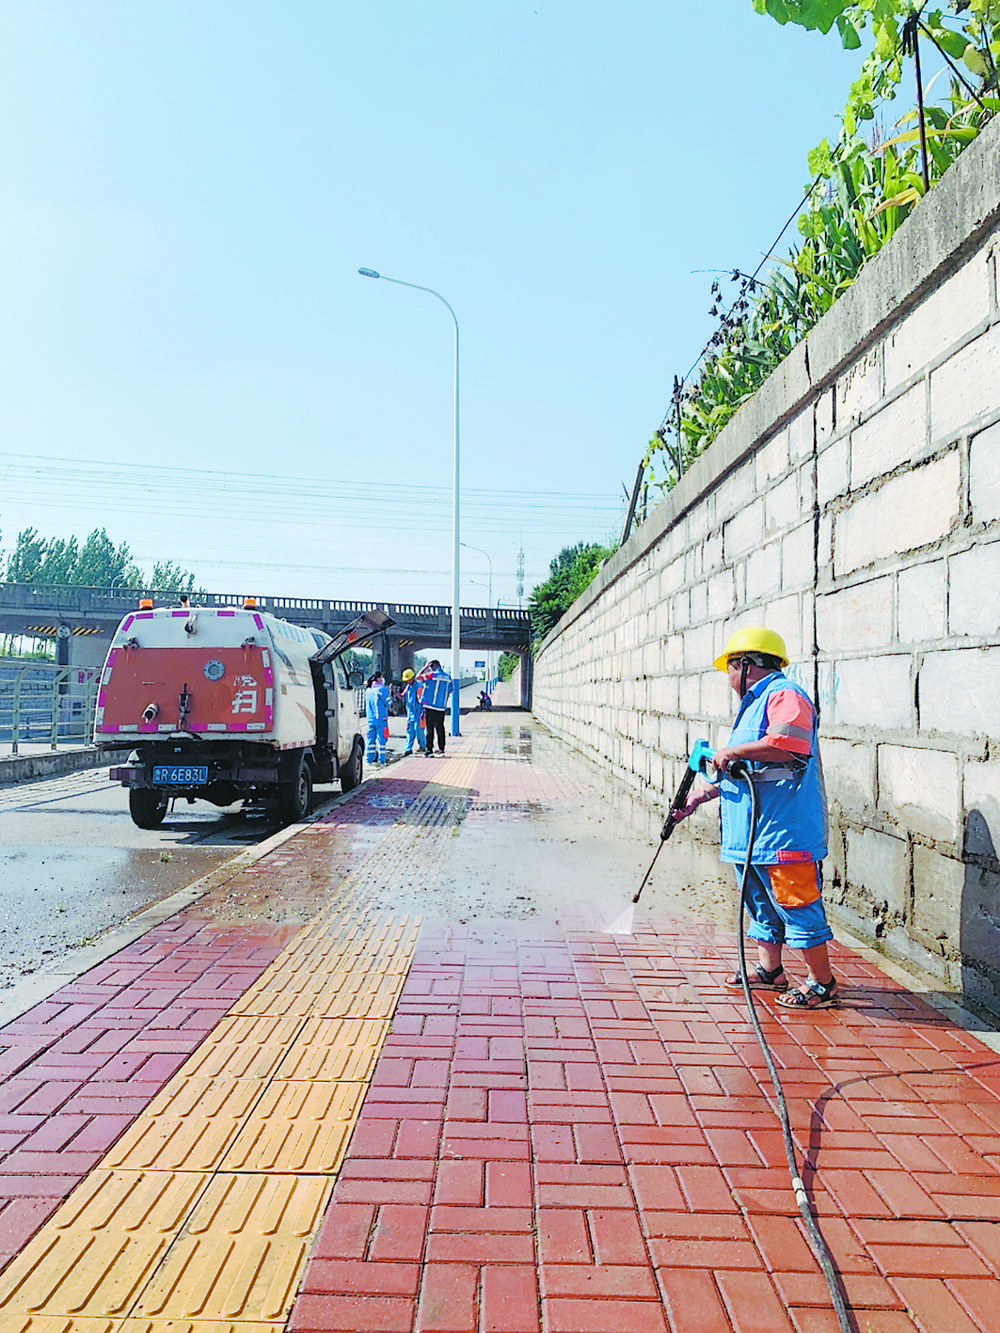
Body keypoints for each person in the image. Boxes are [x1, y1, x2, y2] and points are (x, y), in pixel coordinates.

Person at [672, 627, 838, 1010]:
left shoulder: (785, 695)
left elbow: (787, 745)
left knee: (797, 905)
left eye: (728, 668)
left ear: (744, 664)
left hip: (783, 832)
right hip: (751, 833)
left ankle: (822, 983)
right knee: (761, 903)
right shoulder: (754, 704)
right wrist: (699, 796)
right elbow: (748, 772)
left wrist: (731, 751)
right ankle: (771, 971)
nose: (727, 678)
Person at [418, 659, 452, 757]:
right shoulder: (448, 677)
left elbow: (418, 677)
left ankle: (429, 750)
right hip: (441, 707)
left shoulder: (431, 675)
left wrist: (425, 667)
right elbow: (451, 690)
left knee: (430, 728)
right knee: (440, 728)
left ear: (432, 666)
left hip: (430, 706)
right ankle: (441, 749)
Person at [365, 672, 390, 765]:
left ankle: (369, 759)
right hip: (381, 718)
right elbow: (389, 702)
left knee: (370, 740)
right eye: (382, 677)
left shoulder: (368, 691)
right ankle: (381, 759)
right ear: (379, 679)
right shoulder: (382, 689)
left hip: (370, 719)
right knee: (382, 739)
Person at [401, 668, 426, 755]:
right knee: (410, 731)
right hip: (410, 713)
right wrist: (394, 691)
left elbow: (421, 699)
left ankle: (423, 746)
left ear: (413, 678)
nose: (407, 681)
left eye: (408, 679)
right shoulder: (408, 687)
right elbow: (402, 696)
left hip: (419, 713)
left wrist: (423, 710)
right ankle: (408, 749)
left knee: (419, 730)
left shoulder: (419, 686)